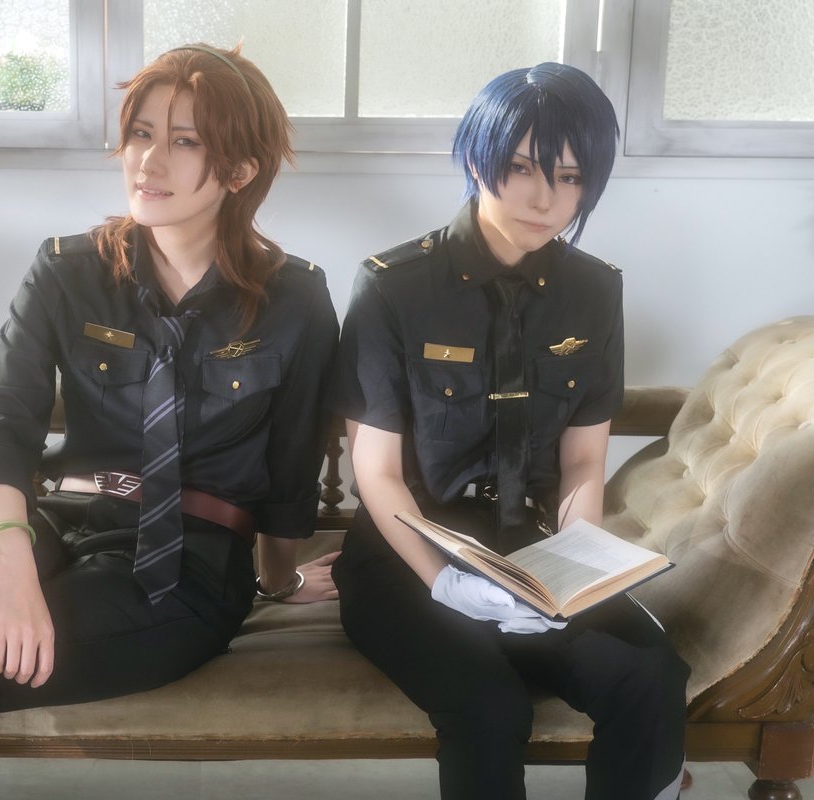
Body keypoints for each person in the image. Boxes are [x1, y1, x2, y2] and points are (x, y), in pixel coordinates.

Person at [0, 43, 338, 800]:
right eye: (141, 133)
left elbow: (291, 463)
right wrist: (13, 571)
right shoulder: (66, 271)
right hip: (61, 521)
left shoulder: (294, 299)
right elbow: (3, 421)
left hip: (186, 567)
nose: (148, 162)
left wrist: (277, 578)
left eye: (184, 141)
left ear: (239, 171)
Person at [328, 63, 689, 800]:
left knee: (650, 675)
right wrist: (445, 582)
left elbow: (584, 461)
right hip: (406, 559)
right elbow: (378, 471)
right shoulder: (394, 286)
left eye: (569, 176)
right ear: (476, 158)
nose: (544, 197)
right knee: (490, 707)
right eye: (521, 167)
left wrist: (572, 566)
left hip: (534, 553)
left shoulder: (595, 290)